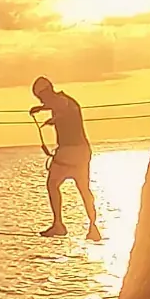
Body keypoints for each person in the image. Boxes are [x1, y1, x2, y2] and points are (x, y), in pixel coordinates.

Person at [30, 76, 101, 242]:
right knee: (84, 189)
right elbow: (58, 106)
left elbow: (61, 107)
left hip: (70, 151)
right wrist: (42, 109)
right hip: (82, 151)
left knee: (52, 184)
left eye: (41, 97)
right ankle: (93, 227)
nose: (42, 100)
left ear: (47, 91)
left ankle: (58, 225)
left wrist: (51, 116)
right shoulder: (65, 101)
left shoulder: (63, 101)